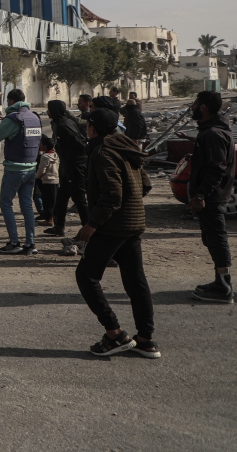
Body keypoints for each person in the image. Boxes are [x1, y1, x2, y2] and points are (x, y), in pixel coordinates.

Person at [74, 108, 159, 358]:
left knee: (86, 276)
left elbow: (112, 196)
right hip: (132, 224)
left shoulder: (103, 151)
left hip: (113, 227)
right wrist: (130, 207)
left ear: (93, 129)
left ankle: (115, 334)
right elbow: (145, 184)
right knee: (136, 282)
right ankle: (146, 340)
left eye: (87, 125)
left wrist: (91, 225)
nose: (86, 129)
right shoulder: (127, 146)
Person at [184, 91, 236, 304]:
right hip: (211, 196)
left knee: (217, 239)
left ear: (203, 107)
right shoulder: (212, 131)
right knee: (212, 238)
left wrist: (200, 194)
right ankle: (219, 282)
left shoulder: (213, 133)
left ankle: (224, 289)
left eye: (195, 103)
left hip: (212, 197)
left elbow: (217, 169)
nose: (193, 107)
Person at [0, 89, 42, 255]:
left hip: (14, 170)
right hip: (31, 168)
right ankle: (30, 244)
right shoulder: (34, 118)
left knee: (6, 203)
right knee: (27, 207)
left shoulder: (13, 119)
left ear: (10, 102)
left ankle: (14, 242)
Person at [46, 100, 90, 238]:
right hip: (68, 165)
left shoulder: (64, 125)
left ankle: (89, 232)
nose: (47, 112)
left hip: (75, 165)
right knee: (62, 196)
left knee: (79, 199)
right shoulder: (60, 123)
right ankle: (59, 226)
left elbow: (79, 143)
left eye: (49, 109)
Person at [35, 136, 60, 225]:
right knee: (53, 200)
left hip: (46, 181)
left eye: (41, 144)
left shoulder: (45, 157)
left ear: (45, 146)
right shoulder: (55, 155)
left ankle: (49, 220)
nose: (40, 145)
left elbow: (42, 170)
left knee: (47, 201)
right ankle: (54, 218)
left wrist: (37, 177)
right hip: (56, 181)